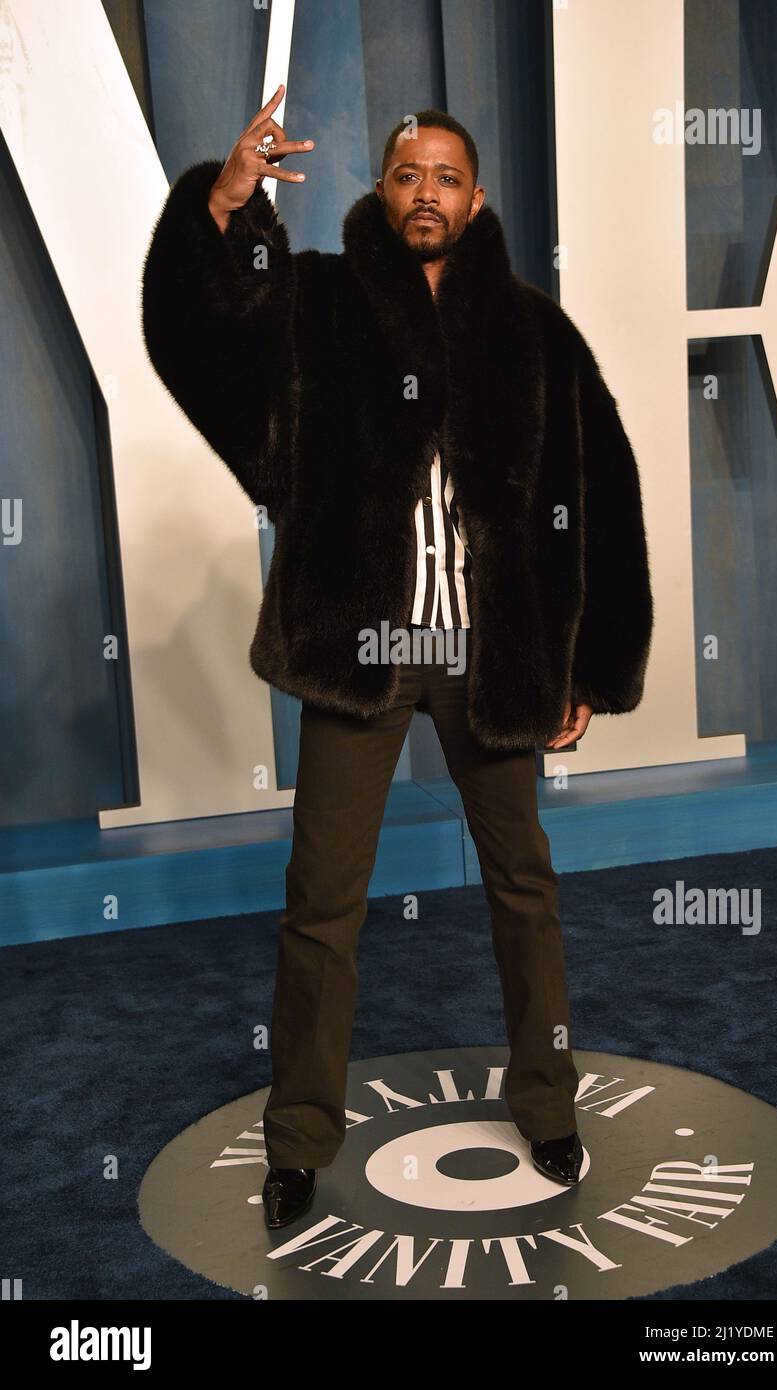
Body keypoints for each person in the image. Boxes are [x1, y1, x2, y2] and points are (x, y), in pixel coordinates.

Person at [141, 85, 654, 1230]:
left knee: (523, 885)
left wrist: (587, 664)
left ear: (476, 201)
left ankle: (548, 1105)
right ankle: (295, 1141)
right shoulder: (315, 305)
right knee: (321, 900)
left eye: (448, 177)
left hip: (491, 658)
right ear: (383, 191)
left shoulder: (533, 331)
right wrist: (222, 210)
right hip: (363, 649)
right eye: (408, 173)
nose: (427, 192)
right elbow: (208, 336)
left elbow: (597, 495)